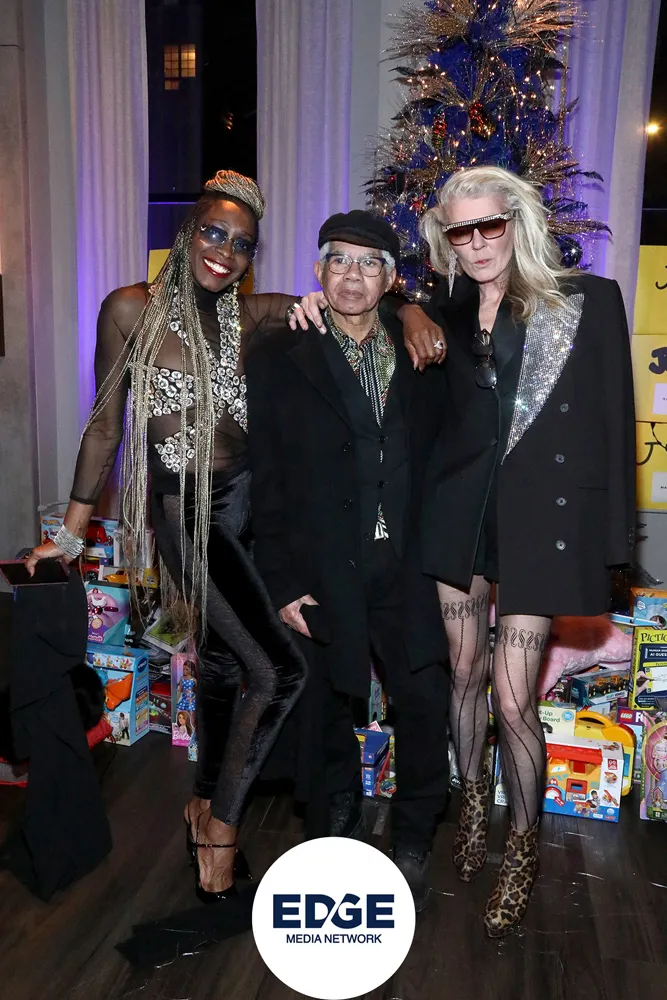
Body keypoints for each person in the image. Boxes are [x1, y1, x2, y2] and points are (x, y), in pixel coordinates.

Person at [25, 171, 444, 903]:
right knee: (280, 670)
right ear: (189, 231)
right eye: (214, 233)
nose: (224, 250)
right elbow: (103, 426)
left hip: (253, 505)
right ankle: (219, 826)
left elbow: (355, 297)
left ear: (254, 256)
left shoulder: (256, 315)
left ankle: (203, 797)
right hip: (186, 512)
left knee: (224, 666)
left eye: (242, 243)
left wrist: (409, 309)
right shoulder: (128, 308)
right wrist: (71, 530)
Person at [408, 165, 635, 936]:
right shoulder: (439, 311)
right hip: (458, 512)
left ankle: (522, 848)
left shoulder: (584, 300)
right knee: (462, 674)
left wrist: (611, 542)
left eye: (489, 226)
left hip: (539, 521)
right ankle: (472, 805)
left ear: (516, 221)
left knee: (512, 698)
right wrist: (402, 306)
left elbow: (612, 419)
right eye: (459, 230)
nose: (475, 243)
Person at [246, 210, 450, 913]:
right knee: (328, 700)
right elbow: (267, 476)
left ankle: (416, 829)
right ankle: (336, 815)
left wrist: (413, 306)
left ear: (390, 279)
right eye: (339, 261)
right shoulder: (279, 354)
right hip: (323, 563)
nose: (353, 276)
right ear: (318, 272)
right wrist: (281, 582)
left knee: (422, 699)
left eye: (369, 264)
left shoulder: (422, 346)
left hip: (409, 563)